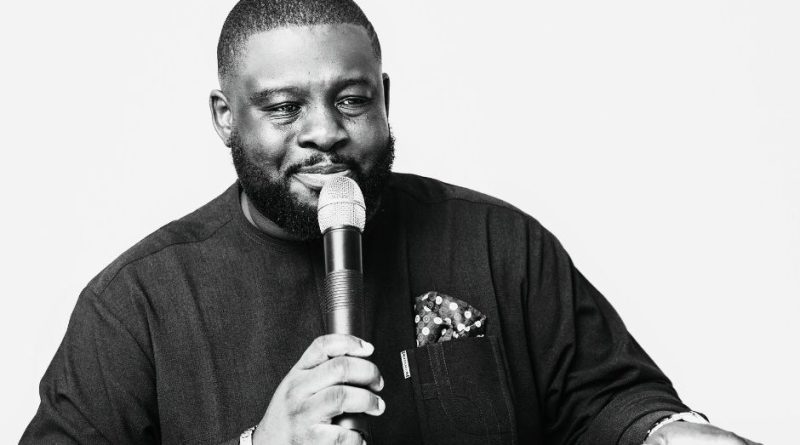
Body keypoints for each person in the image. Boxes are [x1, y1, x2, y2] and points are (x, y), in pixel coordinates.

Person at [21, 1, 761, 444]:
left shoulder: (498, 243)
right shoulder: (136, 305)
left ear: (384, 97)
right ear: (225, 117)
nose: (324, 133)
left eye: (351, 100)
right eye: (283, 108)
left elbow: (599, 398)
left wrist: (664, 431)